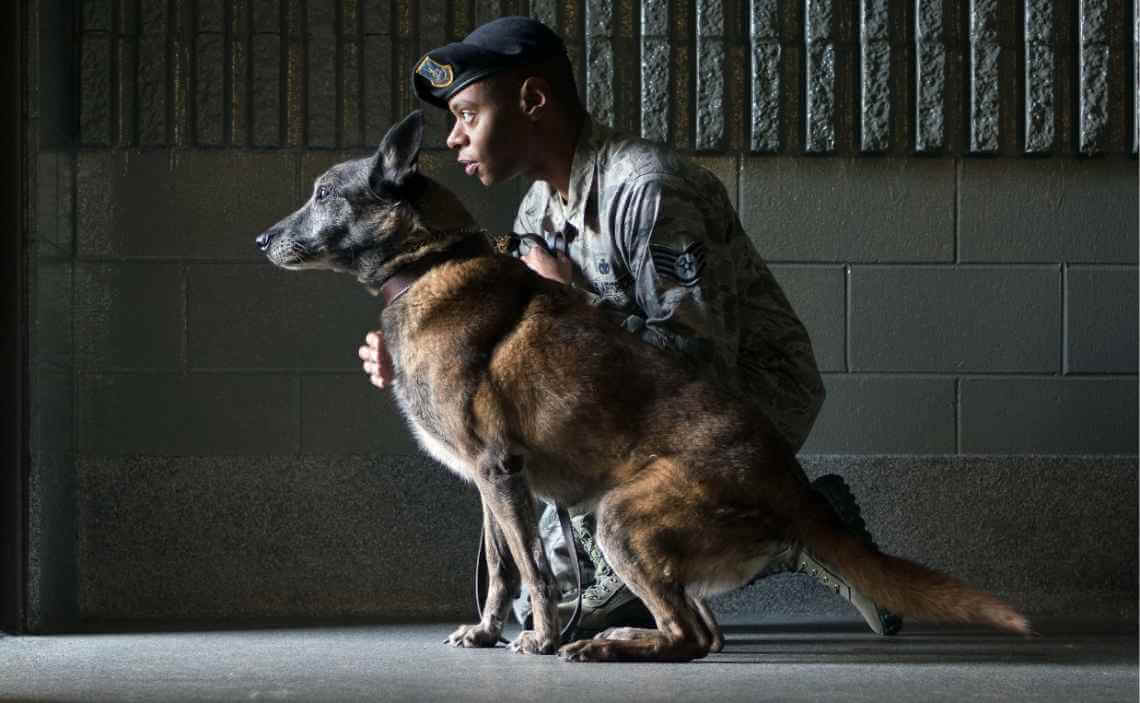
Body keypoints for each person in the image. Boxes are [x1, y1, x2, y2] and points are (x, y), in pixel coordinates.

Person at [358, 16, 900, 637]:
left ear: (532, 100)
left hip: (741, 406)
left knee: (598, 554)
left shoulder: (646, 187)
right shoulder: (538, 206)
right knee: (530, 600)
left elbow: (703, 364)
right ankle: (686, 546)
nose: (453, 139)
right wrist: (422, 356)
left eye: (468, 115)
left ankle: (802, 527)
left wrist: (574, 300)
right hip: (639, 411)